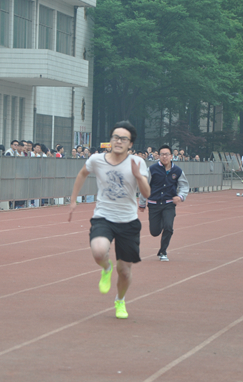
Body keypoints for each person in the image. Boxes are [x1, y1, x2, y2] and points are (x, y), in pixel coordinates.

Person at [69, 121, 150, 319]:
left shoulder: (138, 163)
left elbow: (147, 193)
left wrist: (138, 176)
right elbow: (82, 173)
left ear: (130, 144)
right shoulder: (97, 159)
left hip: (128, 221)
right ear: (110, 140)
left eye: (123, 139)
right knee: (98, 251)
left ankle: (120, 301)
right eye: (115, 137)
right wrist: (73, 200)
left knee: (124, 271)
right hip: (103, 216)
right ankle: (106, 268)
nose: (118, 141)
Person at [138, 145, 189, 262]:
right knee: (155, 232)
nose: (164, 156)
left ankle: (163, 251)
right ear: (158, 156)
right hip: (154, 204)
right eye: (162, 154)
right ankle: (161, 222)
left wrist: (180, 197)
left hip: (169, 203)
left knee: (169, 227)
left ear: (171, 156)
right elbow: (144, 186)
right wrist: (142, 203)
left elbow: (184, 186)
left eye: (167, 154)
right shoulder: (152, 169)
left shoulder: (177, 171)